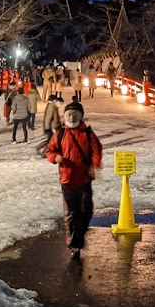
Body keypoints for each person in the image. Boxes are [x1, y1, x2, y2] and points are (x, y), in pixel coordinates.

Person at [45, 102, 102, 259]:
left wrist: (95, 163)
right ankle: (75, 244)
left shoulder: (88, 133)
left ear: (81, 116)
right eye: (69, 114)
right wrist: (54, 157)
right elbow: (49, 150)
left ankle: (79, 235)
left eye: (74, 114)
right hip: (67, 179)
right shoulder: (61, 133)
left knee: (87, 210)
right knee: (72, 213)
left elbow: (96, 149)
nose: (71, 116)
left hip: (84, 178)